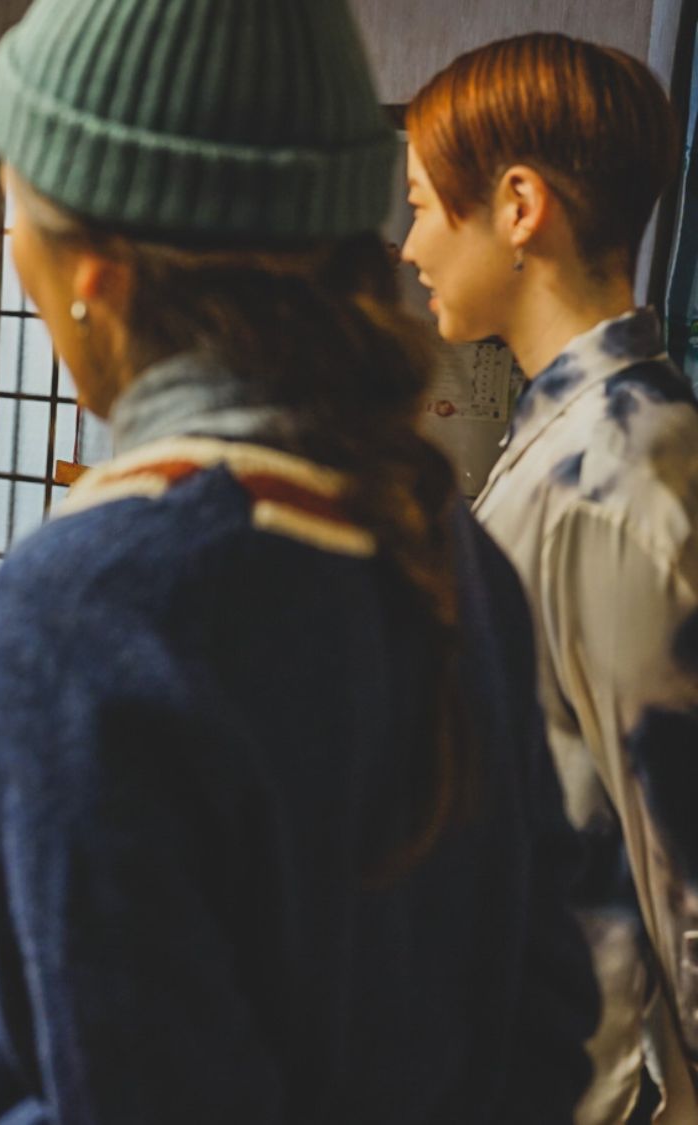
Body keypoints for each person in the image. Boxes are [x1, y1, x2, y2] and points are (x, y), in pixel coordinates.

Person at [0, 1, 600, 1121]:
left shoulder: (82, 605)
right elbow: (544, 1013)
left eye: (15, 199)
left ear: (95, 264)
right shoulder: (439, 539)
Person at [402, 34, 698, 1123]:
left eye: (425, 205)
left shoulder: (616, 474)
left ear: (517, 205)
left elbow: (685, 862)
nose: (407, 244)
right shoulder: (566, 435)